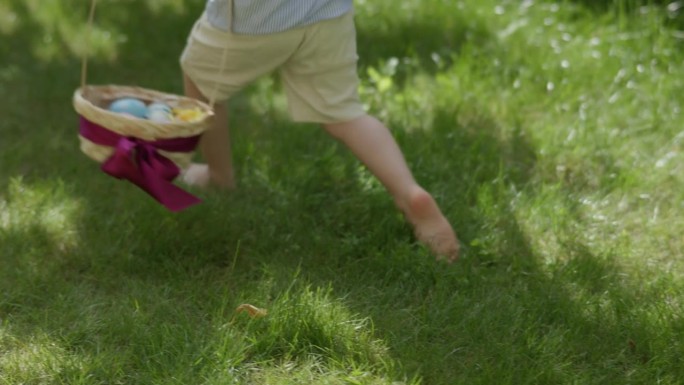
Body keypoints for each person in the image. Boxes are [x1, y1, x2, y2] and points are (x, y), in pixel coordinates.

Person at [179, 0, 460, 262]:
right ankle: (409, 193)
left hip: (251, 19)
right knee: (346, 116)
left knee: (203, 86)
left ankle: (219, 176)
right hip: (326, 13)